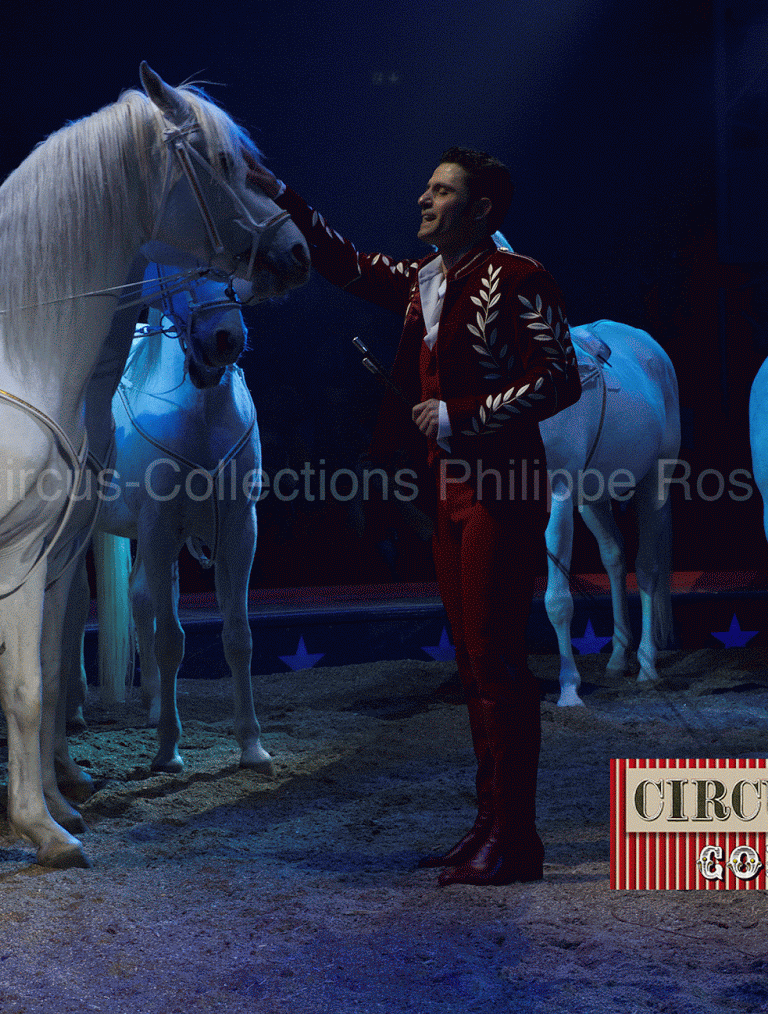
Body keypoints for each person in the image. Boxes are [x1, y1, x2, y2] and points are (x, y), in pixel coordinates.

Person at [246, 147, 581, 886]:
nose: (424, 199)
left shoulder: (518, 276)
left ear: (483, 209)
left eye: (442, 190)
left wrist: (461, 415)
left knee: (496, 663)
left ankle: (517, 838)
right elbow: (344, 263)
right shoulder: (426, 278)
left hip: (501, 487)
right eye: (426, 187)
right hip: (447, 494)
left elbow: (561, 377)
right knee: (470, 664)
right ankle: (490, 823)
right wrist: (283, 193)